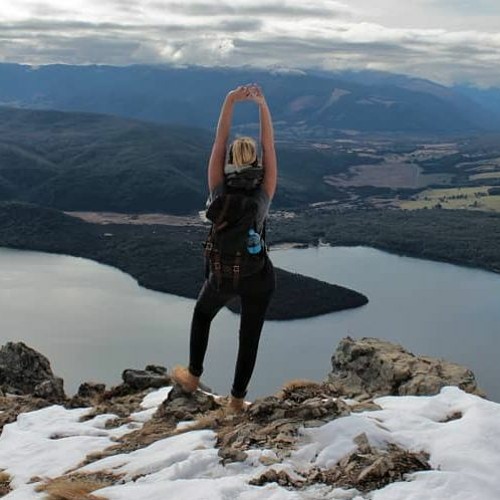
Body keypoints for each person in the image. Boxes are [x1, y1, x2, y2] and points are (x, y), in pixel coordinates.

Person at [172, 83, 278, 412]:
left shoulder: (217, 190)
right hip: (256, 274)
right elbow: (269, 146)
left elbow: (220, 139)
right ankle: (236, 400)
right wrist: (262, 106)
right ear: (257, 162)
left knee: (203, 314)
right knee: (249, 337)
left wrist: (230, 100)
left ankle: (192, 375)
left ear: (229, 159)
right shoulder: (263, 193)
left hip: (221, 274)